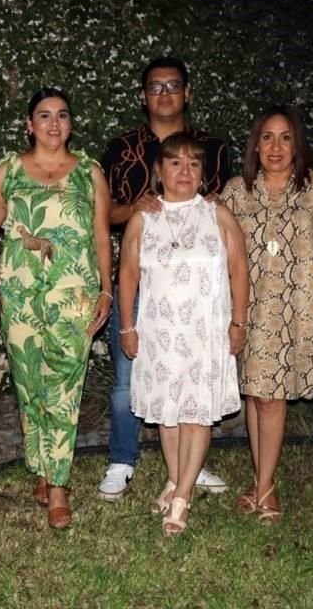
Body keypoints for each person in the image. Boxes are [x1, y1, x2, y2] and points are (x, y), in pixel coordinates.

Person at [99, 56, 233, 500]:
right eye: (155, 88)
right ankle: (123, 458)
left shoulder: (211, 148)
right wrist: (133, 207)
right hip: (148, 283)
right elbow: (105, 214)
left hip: (196, 290)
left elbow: (220, 207)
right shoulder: (122, 148)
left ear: (187, 93)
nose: (164, 94)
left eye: (173, 86)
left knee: (191, 375)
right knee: (131, 378)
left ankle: (188, 471)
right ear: (143, 96)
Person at [118, 132, 248, 536]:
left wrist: (239, 322)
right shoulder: (143, 218)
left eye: (193, 163)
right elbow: (126, 274)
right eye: (175, 163)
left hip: (205, 334)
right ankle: (175, 479)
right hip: (159, 332)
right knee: (167, 415)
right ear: (159, 170)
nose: (185, 171)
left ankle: (182, 497)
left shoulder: (217, 214)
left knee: (195, 415)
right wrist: (127, 325)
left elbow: (240, 269)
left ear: (203, 171)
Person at [0, 88, 112, 529]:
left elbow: (101, 236)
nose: (54, 123)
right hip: (21, 294)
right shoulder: (7, 171)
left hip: (73, 295)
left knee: (64, 387)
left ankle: (59, 483)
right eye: (44, 115)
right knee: (29, 385)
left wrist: (106, 291)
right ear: (29, 124)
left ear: (71, 123)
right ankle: (42, 466)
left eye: (62, 115)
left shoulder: (89, 173)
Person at [221, 105, 313, 524]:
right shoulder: (236, 190)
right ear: (255, 144)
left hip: (298, 310)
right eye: (267, 137)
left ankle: (265, 487)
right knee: (255, 394)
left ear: (297, 143)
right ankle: (261, 479)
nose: (276, 147)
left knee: (270, 398)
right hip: (249, 307)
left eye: (285, 137)